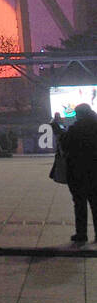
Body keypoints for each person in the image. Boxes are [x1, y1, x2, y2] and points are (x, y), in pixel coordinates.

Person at [62, 104, 97, 243]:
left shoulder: (75, 129)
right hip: (95, 171)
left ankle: (81, 234)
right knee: (96, 203)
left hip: (78, 172)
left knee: (80, 204)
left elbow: (65, 146)